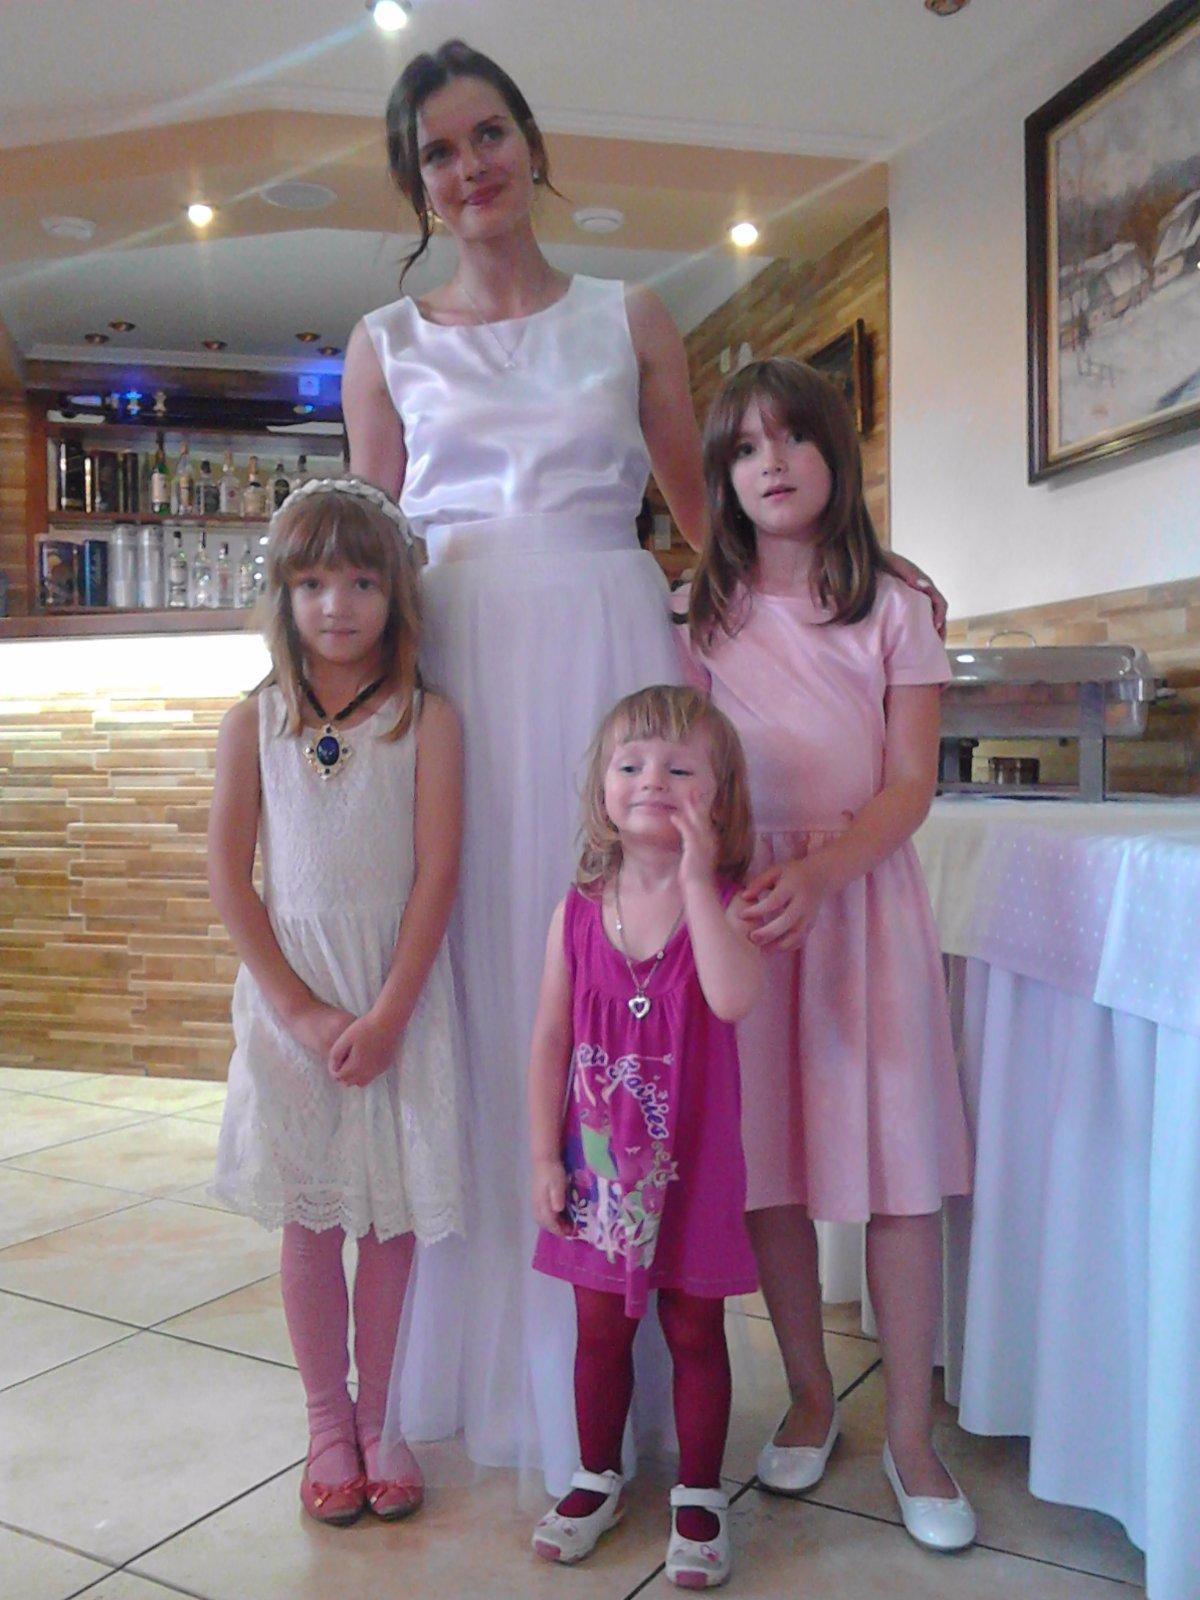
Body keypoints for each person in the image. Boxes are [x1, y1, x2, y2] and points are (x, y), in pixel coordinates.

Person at [342, 38, 948, 1488]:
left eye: (490, 134)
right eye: (438, 153)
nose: (470, 167)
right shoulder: (384, 341)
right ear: (417, 184)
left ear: (531, 143)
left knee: (639, 982)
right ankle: (505, 1354)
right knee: (499, 977)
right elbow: (367, 554)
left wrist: (866, 575)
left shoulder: (632, 316)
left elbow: (707, 519)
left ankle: (632, 1351)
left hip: (615, 656)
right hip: (466, 662)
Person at [680, 358, 977, 1553]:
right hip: (750, 912)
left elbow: (910, 784)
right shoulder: (697, 615)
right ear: (723, 476)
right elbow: (680, 766)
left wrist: (824, 872)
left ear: (835, 455)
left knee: (901, 1171)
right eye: (746, 447)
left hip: (859, 905)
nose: (773, 463)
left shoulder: (896, 603)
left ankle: (910, 1432)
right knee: (771, 1171)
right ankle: (811, 1393)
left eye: (794, 438)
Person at [208, 479, 464, 1527]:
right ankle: (326, 1423)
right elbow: (230, 879)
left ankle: (382, 1419)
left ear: (396, 593)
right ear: (284, 594)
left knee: (390, 1218)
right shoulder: (252, 723)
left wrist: (391, 1011)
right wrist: (303, 1013)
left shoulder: (427, 720)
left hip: (399, 998)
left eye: (361, 581)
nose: (337, 605)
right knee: (311, 1220)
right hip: (294, 1008)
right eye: (313, 583)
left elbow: (437, 876)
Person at [528, 686, 761, 1589]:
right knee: (597, 1329)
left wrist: (697, 879)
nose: (651, 780)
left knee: (696, 1328)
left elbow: (732, 998)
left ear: (720, 797)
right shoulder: (577, 910)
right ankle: (596, 1476)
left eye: (678, 767)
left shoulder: (727, 903)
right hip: (594, 1163)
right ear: (603, 788)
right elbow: (550, 1037)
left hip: (693, 1164)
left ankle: (699, 1492)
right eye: (630, 764)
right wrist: (542, 1157)